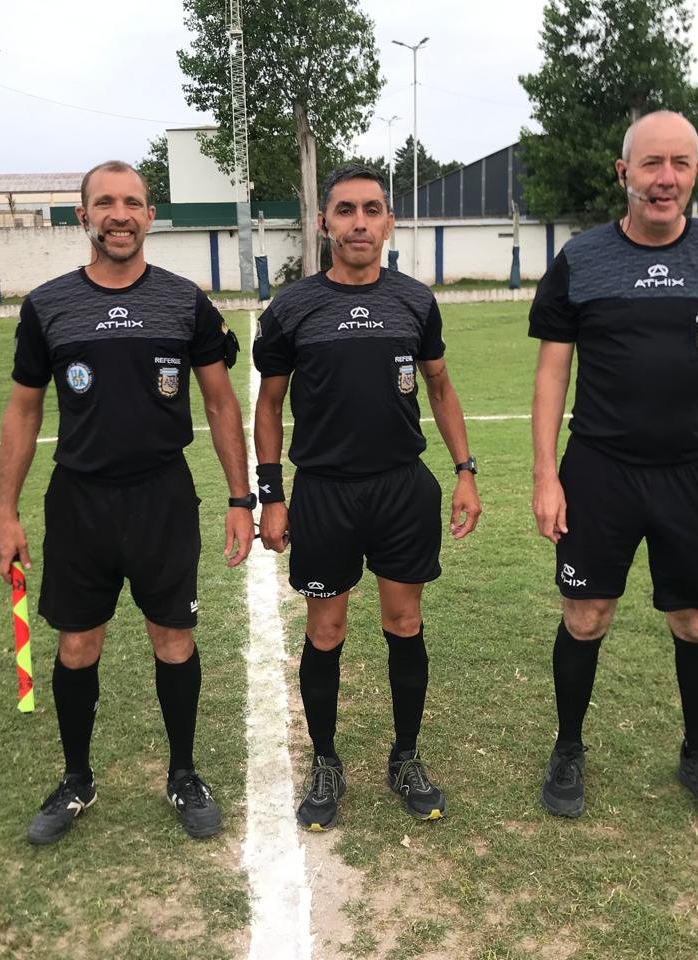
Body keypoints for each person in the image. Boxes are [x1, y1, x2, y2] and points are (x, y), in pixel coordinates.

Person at [528, 111, 698, 827]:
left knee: (695, 622)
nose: (665, 178)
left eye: (679, 163)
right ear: (625, 173)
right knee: (586, 616)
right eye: (651, 163)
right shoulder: (581, 259)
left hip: (694, 473)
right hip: (600, 472)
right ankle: (568, 747)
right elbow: (552, 375)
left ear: (696, 171)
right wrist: (546, 475)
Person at [0, 160, 255, 845]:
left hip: (161, 496)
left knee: (173, 638)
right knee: (78, 644)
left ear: (149, 216)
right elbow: (23, 410)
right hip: (79, 500)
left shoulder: (184, 302)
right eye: (105, 203)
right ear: (83, 215)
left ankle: (183, 774)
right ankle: (77, 779)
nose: (120, 214)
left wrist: (240, 496)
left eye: (133, 203)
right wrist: (6, 512)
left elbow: (220, 403)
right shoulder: (48, 305)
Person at [252, 163, 482, 831]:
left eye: (372, 210)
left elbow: (440, 386)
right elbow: (268, 405)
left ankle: (405, 756)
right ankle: (326, 761)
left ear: (388, 223)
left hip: (400, 489)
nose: (359, 222)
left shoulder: (415, 301)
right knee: (325, 630)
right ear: (324, 222)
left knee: (404, 624)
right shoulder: (292, 308)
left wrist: (465, 471)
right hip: (324, 492)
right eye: (346, 210)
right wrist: (271, 494)